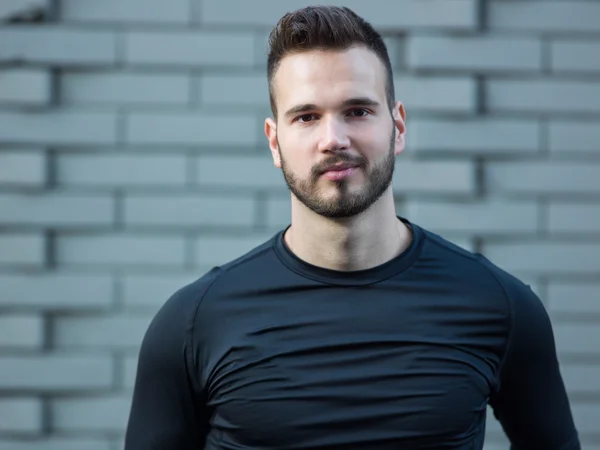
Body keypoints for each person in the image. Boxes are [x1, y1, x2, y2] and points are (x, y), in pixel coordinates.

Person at [124, 6, 580, 450]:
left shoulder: (499, 307)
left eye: (358, 111)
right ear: (274, 141)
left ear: (398, 126)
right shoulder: (192, 324)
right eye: (306, 117)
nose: (334, 139)